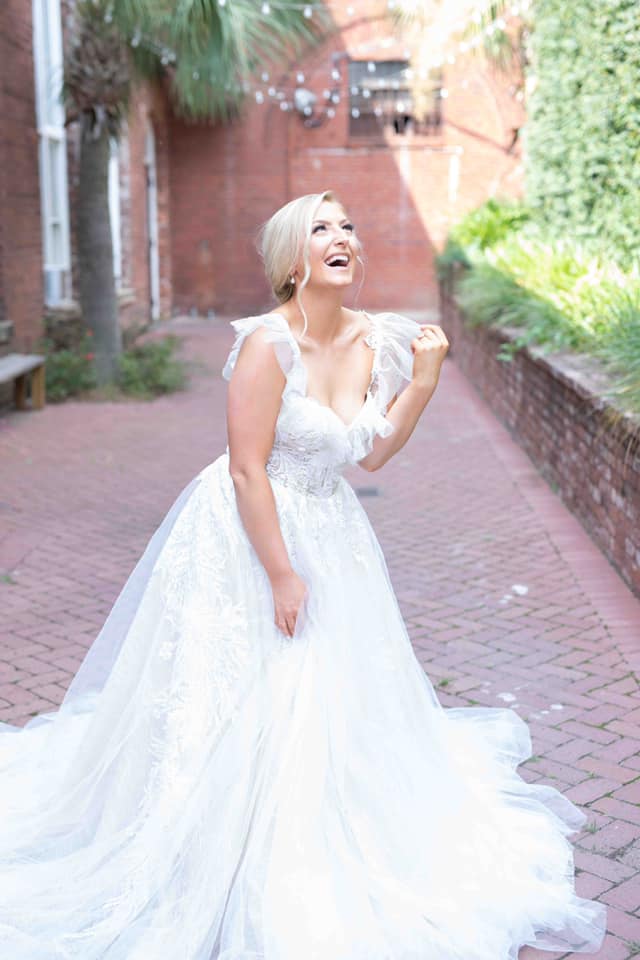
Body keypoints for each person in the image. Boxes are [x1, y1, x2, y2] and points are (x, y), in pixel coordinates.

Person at [0, 190, 606, 959]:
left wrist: (422, 379)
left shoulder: (376, 340)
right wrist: (282, 573)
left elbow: (374, 453)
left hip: (334, 528)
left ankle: (325, 830)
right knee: (246, 692)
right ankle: (220, 843)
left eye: (348, 225)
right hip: (247, 532)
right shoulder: (264, 346)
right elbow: (248, 472)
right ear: (294, 261)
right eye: (322, 228)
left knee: (333, 692)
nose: (343, 236)